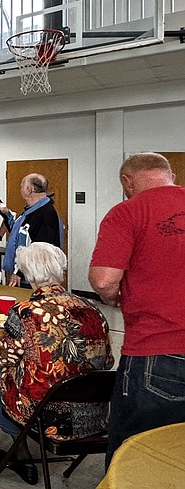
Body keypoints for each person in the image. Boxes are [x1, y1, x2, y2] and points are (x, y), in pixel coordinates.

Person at [0, 242, 113, 485]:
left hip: (48, 417)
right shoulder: (93, 308)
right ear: (60, 270)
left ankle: (19, 451)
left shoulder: (25, 312)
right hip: (96, 416)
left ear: (26, 274)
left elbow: (5, 356)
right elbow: (107, 361)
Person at [89, 152, 185, 466]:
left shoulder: (129, 211)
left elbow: (104, 280)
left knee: (138, 455)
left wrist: (114, 296)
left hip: (157, 351)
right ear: (168, 175)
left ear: (128, 181)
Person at [0, 173, 62, 287]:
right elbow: (18, 231)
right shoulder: (31, 211)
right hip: (27, 273)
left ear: (29, 190)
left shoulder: (45, 214)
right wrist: (5, 212)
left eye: (21, 187)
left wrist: (19, 272)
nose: (20, 190)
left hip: (36, 277)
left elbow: (41, 250)